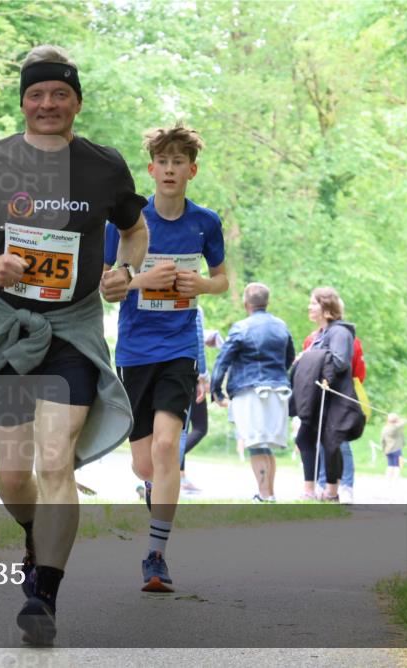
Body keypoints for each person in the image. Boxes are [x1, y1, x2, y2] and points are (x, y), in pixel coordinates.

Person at [0, 45, 148, 645]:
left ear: (77, 102)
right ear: (23, 102)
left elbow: (135, 230)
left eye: (60, 94)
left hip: (73, 333)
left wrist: (124, 271)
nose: (48, 104)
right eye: (37, 94)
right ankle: (36, 534)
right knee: (13, 477)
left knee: (55, 462)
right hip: (10, 331)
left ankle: (44, 596)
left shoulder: (104, 165)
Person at [103, 123, 227, 592]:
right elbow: (106, 285)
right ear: (151, 170)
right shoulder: (126, 223)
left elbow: (223, 280)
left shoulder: (205, 223)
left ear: (192, 170)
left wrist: (202, 285)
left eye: (179, 162)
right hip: (135, 350)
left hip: (179, 348)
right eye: (163, 162)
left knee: (165, 447)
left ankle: (156, 555)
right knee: (144, 464)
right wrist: (142, 281)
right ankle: (157, 489)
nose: (170, 169)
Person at [209, 283, 295, 502]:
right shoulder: (281, 326)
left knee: (256, 446)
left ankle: (265, 496)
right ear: (267, 302)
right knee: (265, 446)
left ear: (246, 303)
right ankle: (269, 494)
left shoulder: (241, 327)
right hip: (278, 389)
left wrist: (216, 390)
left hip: (250, 392)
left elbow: (222, 361)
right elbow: (289, 357)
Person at [290, 287, 365, 502]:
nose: (309, 307)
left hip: (334, 398)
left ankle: (332, 492)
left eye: (314, 303)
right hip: (316, 397)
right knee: (304, 438)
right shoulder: (320, 334)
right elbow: (322, 358)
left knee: (331, 444)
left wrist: (310, 358)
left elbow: (340, 361)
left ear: (326, 307)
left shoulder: (340, 332)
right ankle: (309, 491)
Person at [179, 306, 210, 493]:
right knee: (198, 427)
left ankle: (180, 476)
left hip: (167, 369)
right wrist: (202, 375)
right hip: (190, 372)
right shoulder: (194, 305)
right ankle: (171, 468)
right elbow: (197, 339)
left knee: (180, 429)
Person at [381, 413, 406, 488]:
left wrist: (383, 450)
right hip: (396, 449)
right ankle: (394, 482)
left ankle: (388, 482)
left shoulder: (385, 428)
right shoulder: (395, 428)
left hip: (388, 449)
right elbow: (403, 422)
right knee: (396, 466)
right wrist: (400, 419)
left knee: (390, 465)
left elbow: (382, 441)